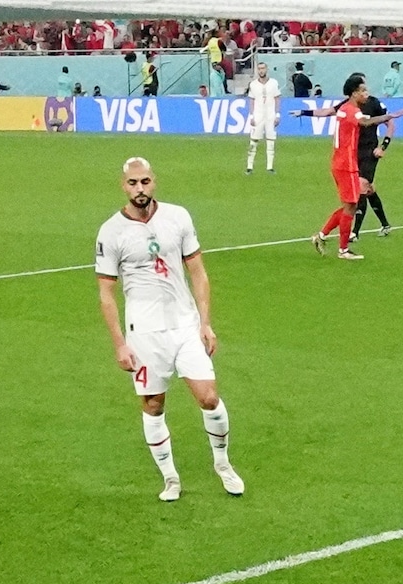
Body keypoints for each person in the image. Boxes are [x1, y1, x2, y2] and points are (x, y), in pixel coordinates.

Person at [93, 157, 244, 502]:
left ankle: (223, 465)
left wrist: (205, 322)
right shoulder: (110, 232)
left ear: (154, 182)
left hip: (184, 323)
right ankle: (170, 478)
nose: (139, 189)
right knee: (154, 404)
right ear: (123, 186)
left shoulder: (178, 217)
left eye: (145, 182)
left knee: (208, 396)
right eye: (133, 183)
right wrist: (119, 344)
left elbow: (199, 272)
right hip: (144, 333)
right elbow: (106, 293)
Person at [295, 74, 403, 261]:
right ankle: (342, 249)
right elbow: (365, 121)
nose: (366, 93)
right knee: (351, 205)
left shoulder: (345, 108)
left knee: (351, 204)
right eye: (363, 90)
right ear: (354, 93)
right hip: (346, 163)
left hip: (343, 161)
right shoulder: (352, 111)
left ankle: (322, 237)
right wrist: (388, 116)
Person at [350, 83, 396, 238]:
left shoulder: (374, 103)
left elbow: (390, 124)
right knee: (369, 190)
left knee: (361, 187)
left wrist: (383, 146)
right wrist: (306, 112)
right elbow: (330, 112)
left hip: (370, 152)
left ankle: (354, 233)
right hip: (355, 152)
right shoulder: (350, 106)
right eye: (361, 89)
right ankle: (385, 225)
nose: (365, 92)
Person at [243, 61, 281, 173]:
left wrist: (277, 114)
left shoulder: (273, 83)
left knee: (271, 141)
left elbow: (277, 98)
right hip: (258, 115)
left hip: (270, 115)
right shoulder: (253, 84)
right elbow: (251, 100)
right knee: (254, 141)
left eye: (263, 68)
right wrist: (251, 116)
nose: (261, 71)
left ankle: (270, 167)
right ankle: (249, 166)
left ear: (266, 69)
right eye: (259, 68)